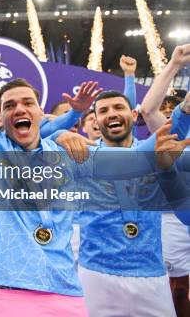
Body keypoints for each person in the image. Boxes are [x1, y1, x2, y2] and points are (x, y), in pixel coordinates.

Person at [0, 0, 188, 317]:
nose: (18, 109)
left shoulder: (72, 152)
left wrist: (155, 158)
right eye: (9, 104)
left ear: (39, 110)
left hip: (67, 296)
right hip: (5, 295)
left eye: (26, 102)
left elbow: (126, 161)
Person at [77, 90, 177, 316]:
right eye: (103, 111)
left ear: (133, 114)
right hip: (96, 274)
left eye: (118, 107)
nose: (111, 114)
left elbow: (172, 127)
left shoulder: (157, 151)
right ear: (96, 120)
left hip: (151, 274)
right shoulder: (83, 157)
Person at [139, 44, 190, 315]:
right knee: (179, 289)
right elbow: (147, 110)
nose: (169, 110)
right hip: (175, 216)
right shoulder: (174, 133)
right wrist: (174, 65)